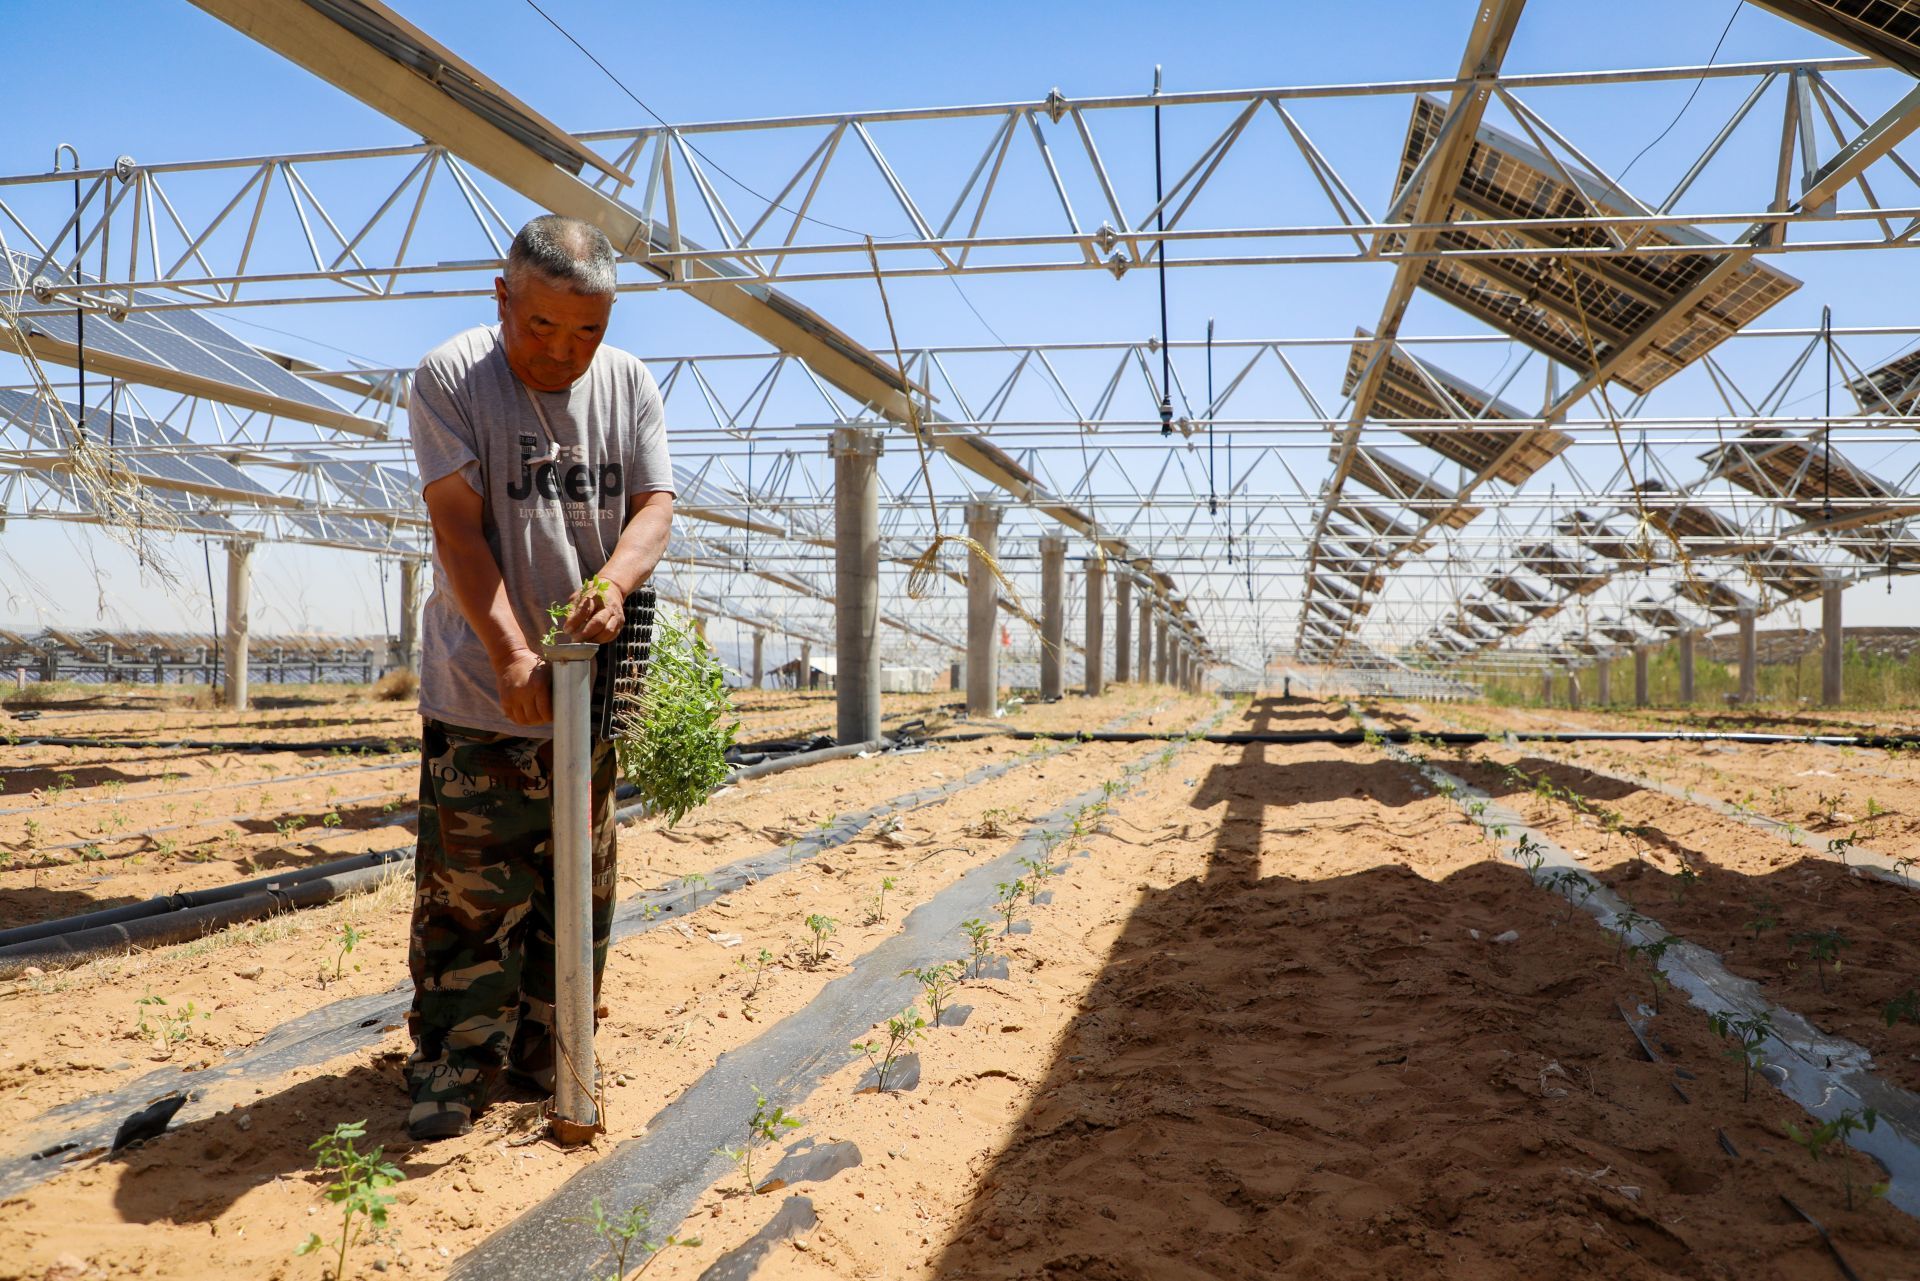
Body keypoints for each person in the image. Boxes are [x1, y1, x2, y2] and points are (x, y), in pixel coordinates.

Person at [403, 214, 675, 1141]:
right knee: (473, 892)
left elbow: (653, 507)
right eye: (542, 327)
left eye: (587, 332)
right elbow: (457, 529)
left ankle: (549, 1052)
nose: (564, 351)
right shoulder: (451, 378)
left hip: (586, 698)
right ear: (502, 298)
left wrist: (614, 581)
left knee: (579, 885)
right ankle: (452, 1064)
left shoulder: (630, 383)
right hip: (484, 694)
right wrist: (513, 652)